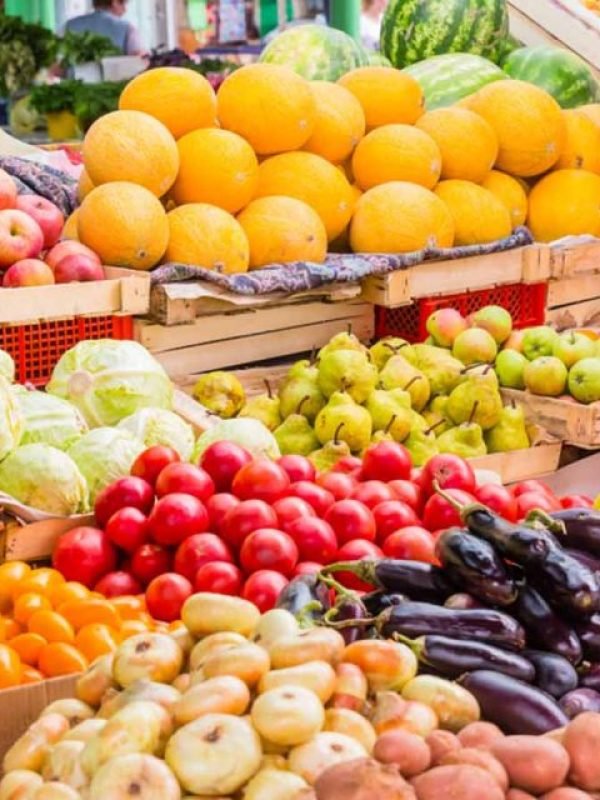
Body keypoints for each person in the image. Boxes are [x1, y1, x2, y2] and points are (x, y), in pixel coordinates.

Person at [65, 0, 143, 56]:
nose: (125, 10)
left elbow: (58, 68)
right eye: (123, 4)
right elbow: (137, 60)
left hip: (76, 79)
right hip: (118, 78)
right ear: (115, 2)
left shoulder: (70, 25)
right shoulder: (127, 28)